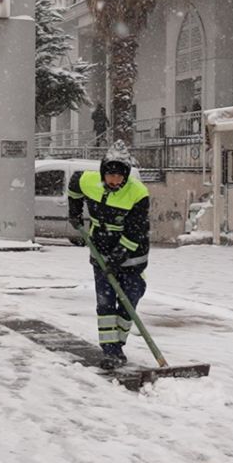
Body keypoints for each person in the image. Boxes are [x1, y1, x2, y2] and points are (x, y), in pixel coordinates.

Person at [67, 140, 150, 371]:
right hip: (100, 252)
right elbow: (74, 185)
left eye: (119, 177)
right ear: (103, 173)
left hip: (133, 255)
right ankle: (111, 351)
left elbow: (136, 231)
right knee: (105, 303)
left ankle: (118, 342)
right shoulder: (90, 180)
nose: (114, 181)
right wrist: (74, 211)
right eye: (110, 176)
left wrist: (118, 257)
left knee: (129, 299)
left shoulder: (138, 193)